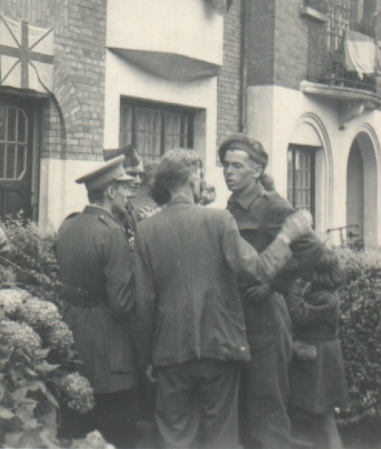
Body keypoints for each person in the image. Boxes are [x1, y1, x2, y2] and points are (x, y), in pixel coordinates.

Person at [134, 147, 314, 449]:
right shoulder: (220, 220)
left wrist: (145, 359)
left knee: (175, 436)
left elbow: (144, 304)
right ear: (194, 178)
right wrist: (286, 236)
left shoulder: (145, 230)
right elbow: (258, 270)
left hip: (170, 350)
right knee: (221, 438)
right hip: (219, 348)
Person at [219, 133, 324, 449]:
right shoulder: (230, 207)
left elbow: (312, 248)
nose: (228, 171)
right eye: (226, 165)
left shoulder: (274, 206)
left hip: (265, 318)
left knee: (268, 407)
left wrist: (273, 285)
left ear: (256, 169)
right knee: (242, 409)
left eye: (237, 165)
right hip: (237, 318)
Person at [55, 156, 137, 449]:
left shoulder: (68, 225)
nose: (129, 196)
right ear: (111, 191)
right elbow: (122, 303)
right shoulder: (111, 231)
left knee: (76, 424)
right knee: (114, 426)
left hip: (72, 333)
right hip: (108, 344)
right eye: (125, 189)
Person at [288, 250, 348, 449]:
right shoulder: (326, 294)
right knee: (317, 417)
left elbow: (299, 314)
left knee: (325, 420)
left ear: (318, 271)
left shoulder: (324, 298)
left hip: (321, 361)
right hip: (322, 358)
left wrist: (294, 284)